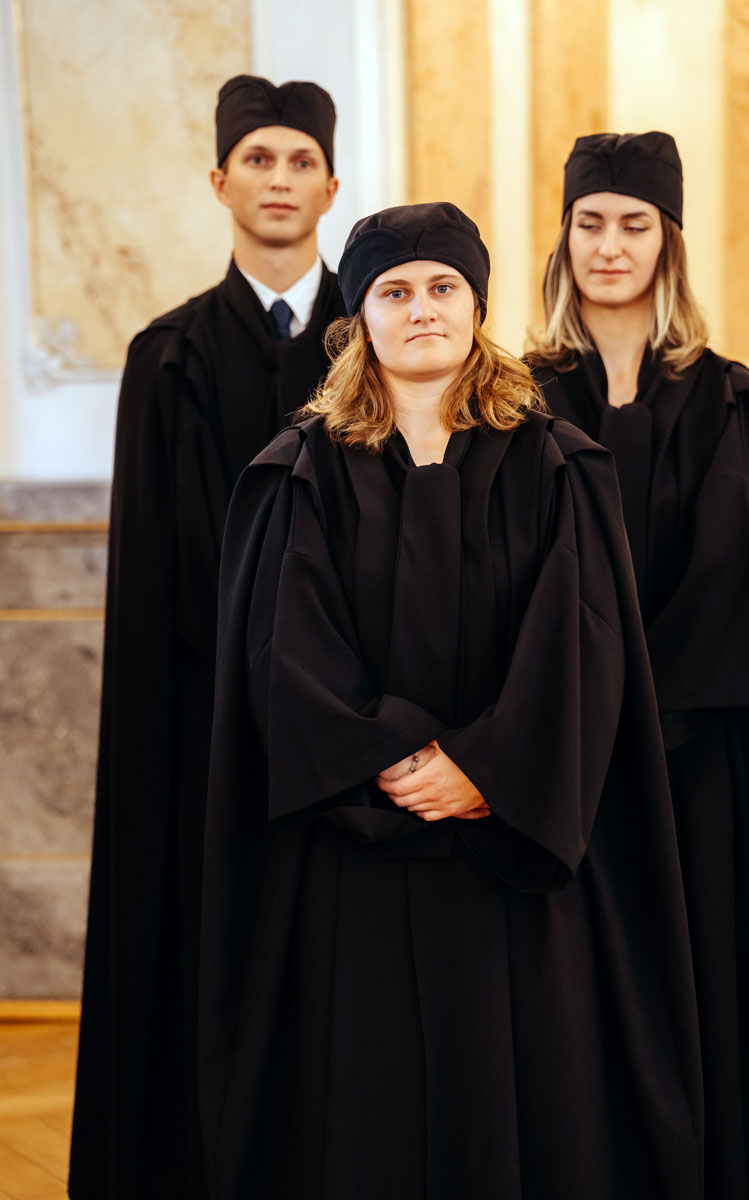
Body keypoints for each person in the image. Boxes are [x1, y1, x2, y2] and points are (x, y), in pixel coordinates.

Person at [198, 201, 704, 1200]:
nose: (421, 309)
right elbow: (284, 647)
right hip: (357, 853)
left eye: (443, 288)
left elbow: (582, 642)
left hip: (511, 849)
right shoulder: (298, 471)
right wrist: (387, 752)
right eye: (394, 291)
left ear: (476, 305)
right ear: (358, 315)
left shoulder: (555, 464)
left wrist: (487, 767)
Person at [70, 76, 345, 1200]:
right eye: (259, 160)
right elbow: (154, 575)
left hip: (353, 732)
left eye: (300, 161)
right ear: (220, 180)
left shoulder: (383, 340)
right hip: (205, 721)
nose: (279, 180)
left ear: (332, 185)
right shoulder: (168, 356)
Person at [527, 131, 749, 1199]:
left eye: (632, 225)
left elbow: (729, 585)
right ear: (563, 239)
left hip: (692, 754)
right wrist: (575, 719)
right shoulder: (514, 401)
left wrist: (634, 714)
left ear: (666, 241)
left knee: (696, 975)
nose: (609, 246)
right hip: (560, 757)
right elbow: (517, 584)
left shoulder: (728, 400)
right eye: (589, 224)